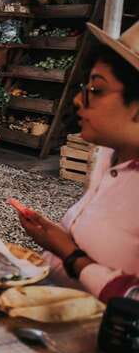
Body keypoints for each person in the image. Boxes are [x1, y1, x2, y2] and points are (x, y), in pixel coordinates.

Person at [16, 21, 139, 302]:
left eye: (96, 90)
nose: (77, 100)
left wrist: (72, 256)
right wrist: (56, 239)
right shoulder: (109, 156)